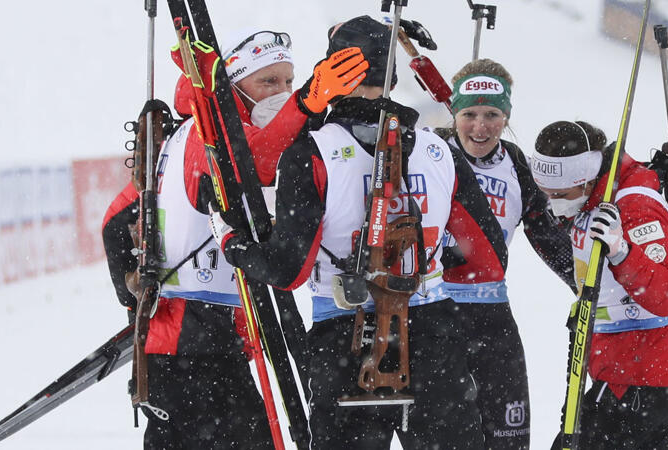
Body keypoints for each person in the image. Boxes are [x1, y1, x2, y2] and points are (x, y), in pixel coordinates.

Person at [209, 16, 507, 449]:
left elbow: (287, 269)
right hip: (433, 339)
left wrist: (232, 243)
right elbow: (489, 261)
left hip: (345, 342)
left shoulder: (310, 152)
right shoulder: (439, 149)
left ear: (332, 72)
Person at [102, 27, 367, 449]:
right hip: (196, 344)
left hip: (192, 343)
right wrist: (305, 103)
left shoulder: (184, 134)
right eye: (267, 82)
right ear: (234, 88)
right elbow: (253, 165)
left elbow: (114, 220)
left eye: (287, 80)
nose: (280, 91)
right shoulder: (205, 137)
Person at [433, 59, 575, 449]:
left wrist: (587, 283)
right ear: (455, 113)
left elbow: (548, 234)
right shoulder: (430, 153)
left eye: (493, 114)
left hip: (492, 313)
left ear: (507, 115)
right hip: (435, 313)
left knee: (509, 433)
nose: (480, 127)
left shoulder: (515, 163)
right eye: (470, 114)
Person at [529, 121, 668, 450]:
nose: (553, 204)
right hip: (623, 368)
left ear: (586, 178)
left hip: (644, 373)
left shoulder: (634, 207)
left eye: (559, 195)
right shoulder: (590, 199)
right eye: (546, 193)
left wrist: (622, 252)